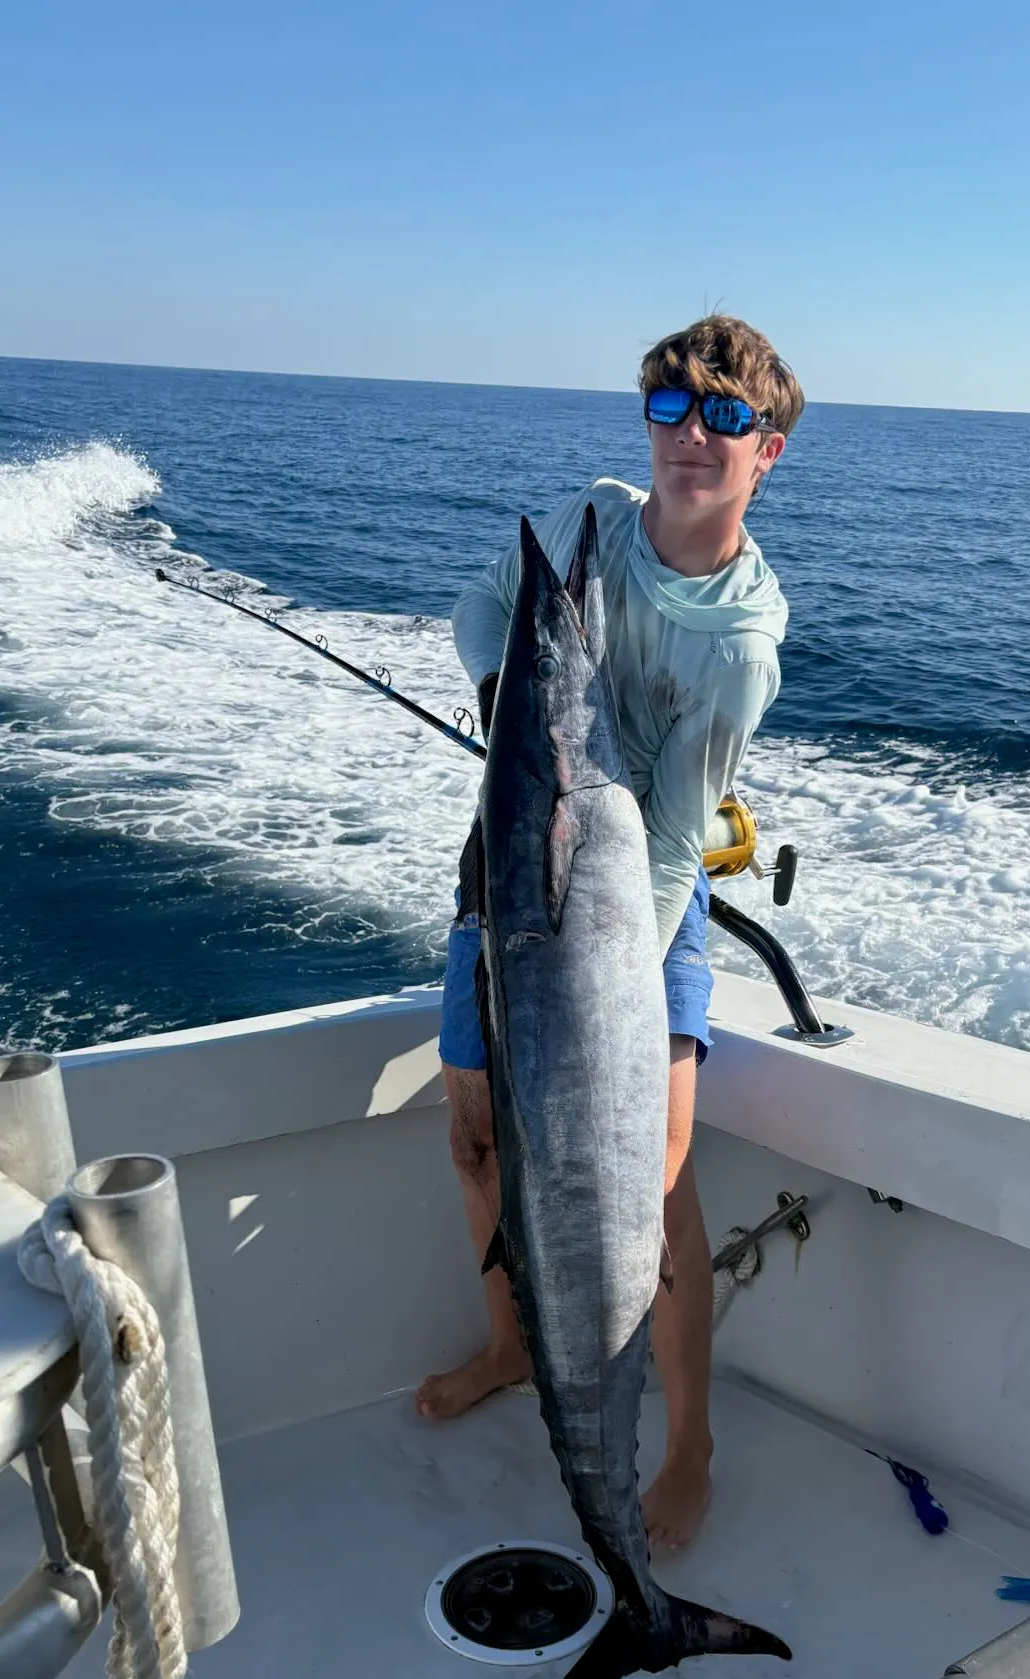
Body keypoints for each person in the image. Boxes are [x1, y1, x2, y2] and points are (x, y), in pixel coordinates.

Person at [415, 314, 804, 1549]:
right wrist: (509, 700)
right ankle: (512, 1347)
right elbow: (487, 608)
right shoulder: (595, 519)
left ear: (766, 451)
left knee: (652, 1175)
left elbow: (677, 847)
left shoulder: (739, 648)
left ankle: (686, 1444)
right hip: (510, 866)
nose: (692, 433)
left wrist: (604, 1002)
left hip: (637, 912)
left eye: (726, 415)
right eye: (670, 405)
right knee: (479, 1132)